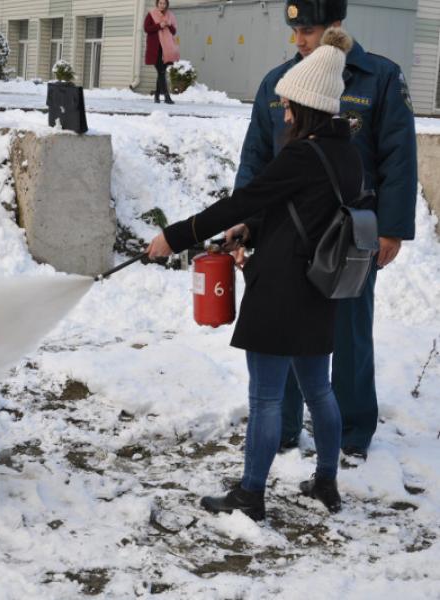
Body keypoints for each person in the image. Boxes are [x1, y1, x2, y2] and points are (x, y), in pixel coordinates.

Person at [146, 28, 361, 521]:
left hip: (282, 289)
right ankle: (326, 481)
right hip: (320, 287)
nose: (283, 112)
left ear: (306, 106)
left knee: (265, 397)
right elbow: (301, 209)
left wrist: (174, 237)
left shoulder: (301, 153)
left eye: (288, 105)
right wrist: (252, 229)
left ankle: (250, 494)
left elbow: (244, 199)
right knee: (319, 390)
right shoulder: (344, 151)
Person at [231, 0, 417, 459]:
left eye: (309, 31)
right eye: (294, 31)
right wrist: (244, 224)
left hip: (349, 234)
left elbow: (398, 157)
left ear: (336, 26)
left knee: (350, 333)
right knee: (284, 330)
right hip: (285, 235)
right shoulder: (277, 83)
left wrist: (391, 229)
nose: (299, 40)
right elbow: (256, 158)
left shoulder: (379, 77)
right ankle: (285, 426)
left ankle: (353, 432)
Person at [143, 0, 179, 104]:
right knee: (161, 71)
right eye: (160, 3)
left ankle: (157, 96)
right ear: (157, 4)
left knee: (161, 72)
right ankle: (167, 97)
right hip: (155, 48)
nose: (162, 5)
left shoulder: (170, 16)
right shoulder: (151, 14)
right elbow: (146, 28)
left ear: (167, 4)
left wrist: (168, 25)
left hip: (167, 48)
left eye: (164, 3)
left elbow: (174, 31)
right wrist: (159, 25)